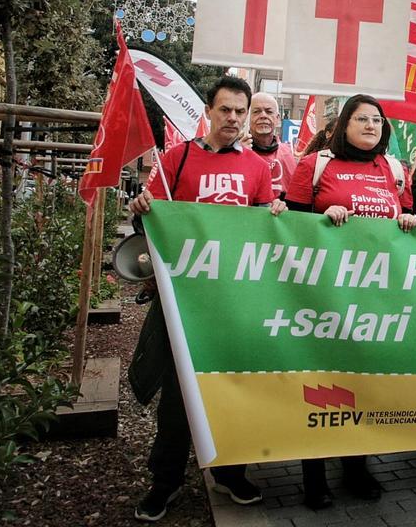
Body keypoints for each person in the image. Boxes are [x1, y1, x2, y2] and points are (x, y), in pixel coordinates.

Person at [128, 75, 285, 523]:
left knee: (233, 387)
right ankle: (166, 480)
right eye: (226, 110)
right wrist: (142, 207)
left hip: (236, 301)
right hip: (185, 301)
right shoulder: (177, 160)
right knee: (179, 394)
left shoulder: (257, 166)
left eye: (241, 111)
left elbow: (262, 231)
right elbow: (153, 219)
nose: (233, 119)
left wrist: (275, 212)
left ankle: (230, 473)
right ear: (210, 111)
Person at [285, 95, 416, 509]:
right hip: (323, 294)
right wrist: (323, 220)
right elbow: (289, 224)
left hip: (376, 298)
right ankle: (313, 477)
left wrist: (408, 221)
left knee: (363, 382)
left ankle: (357, 467)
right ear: (343, 124)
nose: (370, 125)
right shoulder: (317, 165)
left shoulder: (395, 170)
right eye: (361, 118)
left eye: (377, 120)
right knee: (320, 382)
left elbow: (408, 222)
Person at [248, 92, 297, 197]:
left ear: (278, 118)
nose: (263, 116)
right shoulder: (236, 151)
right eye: (256, 112)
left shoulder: (291, 154)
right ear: (247, 117)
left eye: (269, 112)